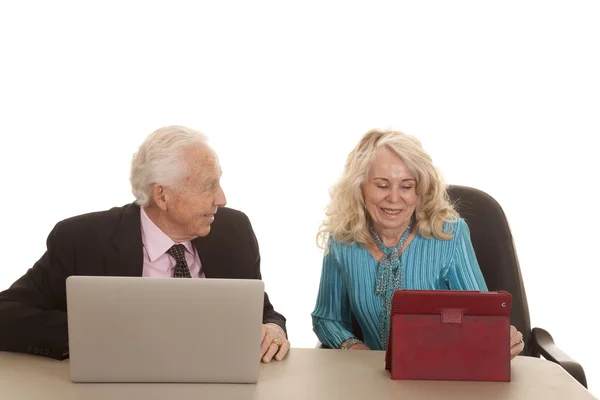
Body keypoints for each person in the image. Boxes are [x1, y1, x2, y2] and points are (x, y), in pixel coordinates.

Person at [0, 125, 289, 363]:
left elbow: (260, 310)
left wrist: (273, 328)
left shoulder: (233, 231)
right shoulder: (82, 239)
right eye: (208, 185)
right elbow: (7, 313)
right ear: (161, 195)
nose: (221, 198)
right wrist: (97, 334)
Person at [311, 128, 524, 358]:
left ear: (420, 190)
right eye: (382, 185)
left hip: (443, 374)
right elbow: (327, 318)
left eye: (406, 186)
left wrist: (500, 336)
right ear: (360, 187)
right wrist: (353, 347)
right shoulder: (343, 240)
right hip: (373, 381)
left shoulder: (449, 234)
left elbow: (482, 318)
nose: (394, 198)